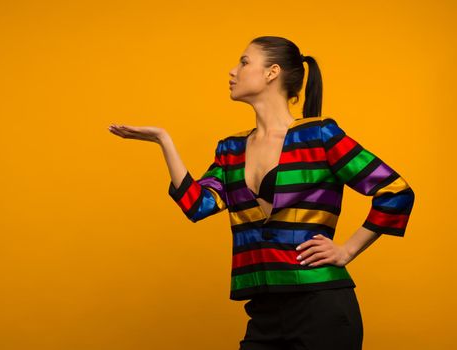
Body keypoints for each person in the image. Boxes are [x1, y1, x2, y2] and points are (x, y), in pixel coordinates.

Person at [108, 36, 415, 350]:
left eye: (243, 62)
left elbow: (395, 191)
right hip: (264, 311)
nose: (232, 71)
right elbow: (197, 205)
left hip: (322, 307)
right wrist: (164, 141)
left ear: (272, 72)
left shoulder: (320, 135)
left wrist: (347, 250)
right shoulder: (231, 149)